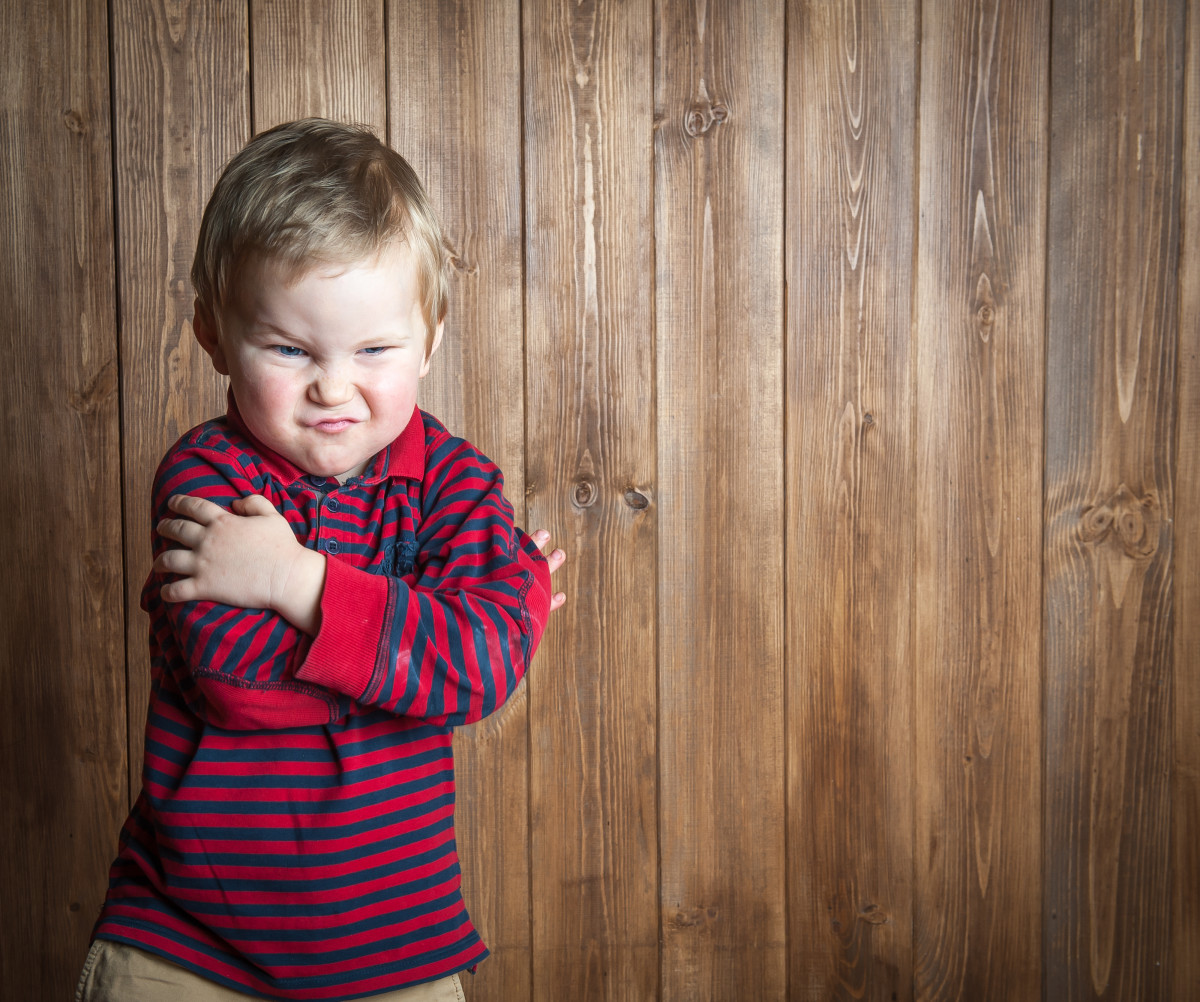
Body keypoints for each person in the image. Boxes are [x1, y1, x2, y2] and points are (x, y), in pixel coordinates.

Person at [79, 118, 565, 1002]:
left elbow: (486, 671)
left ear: (431, 338)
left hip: (397, 954)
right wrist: (444, 642)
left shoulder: (453, 479)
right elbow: (240, 681)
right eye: (290, 349)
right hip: (187, 947)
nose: (333, 387)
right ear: (214, 336)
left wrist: (295, 581)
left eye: (375, 350)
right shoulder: (207, 476)